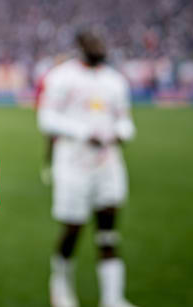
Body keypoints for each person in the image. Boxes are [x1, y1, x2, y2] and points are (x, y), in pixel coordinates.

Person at [37, 31, 136, 307]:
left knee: (108, 230)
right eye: (93, 44)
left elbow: (126, 121)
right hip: (72, 164)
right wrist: (83, 132)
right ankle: (60, 287)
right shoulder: (61, 77)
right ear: (80, 47)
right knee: (73, 227)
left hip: (108, 163)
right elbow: (46, 118)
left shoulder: (115, 81)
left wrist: (120, 133)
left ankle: (113, 298)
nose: (99, 48)